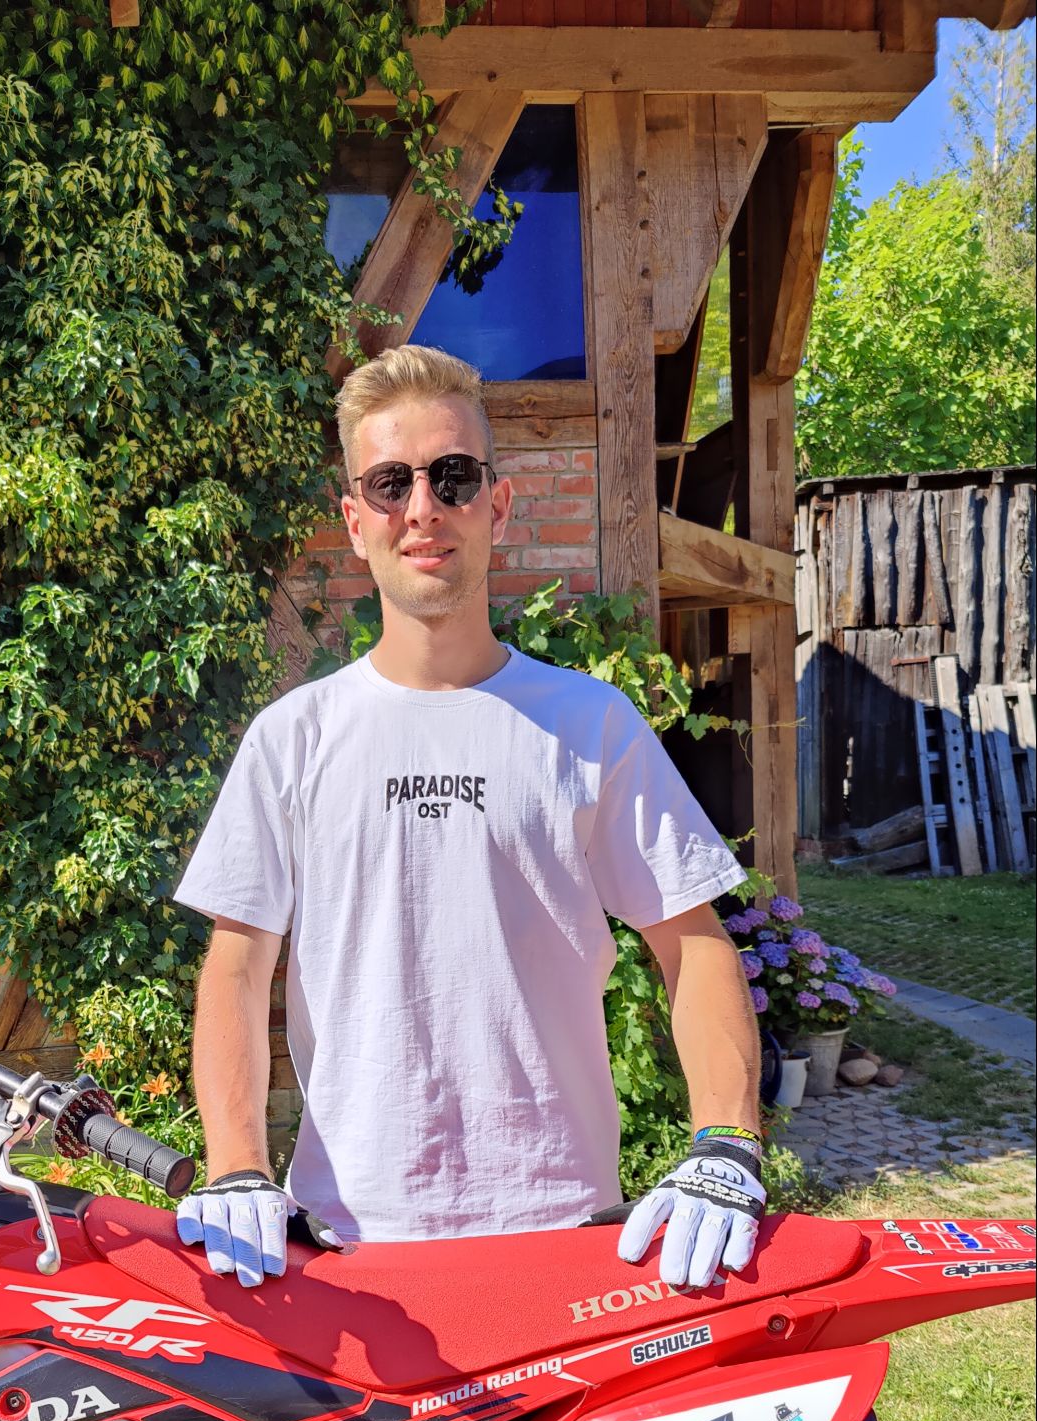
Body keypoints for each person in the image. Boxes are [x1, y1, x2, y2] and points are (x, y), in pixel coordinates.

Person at [172, 345, 764, 1294]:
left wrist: (727, 1146)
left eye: (452, 476)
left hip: (565, 1229)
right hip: (346, 1241)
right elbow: (236, 972)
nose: (423, 508)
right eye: (390, 482)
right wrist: (236, 1166)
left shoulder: (590, 724)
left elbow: (691, 943)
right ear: (355, 519)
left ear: (498, 503)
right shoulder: (292, 739)